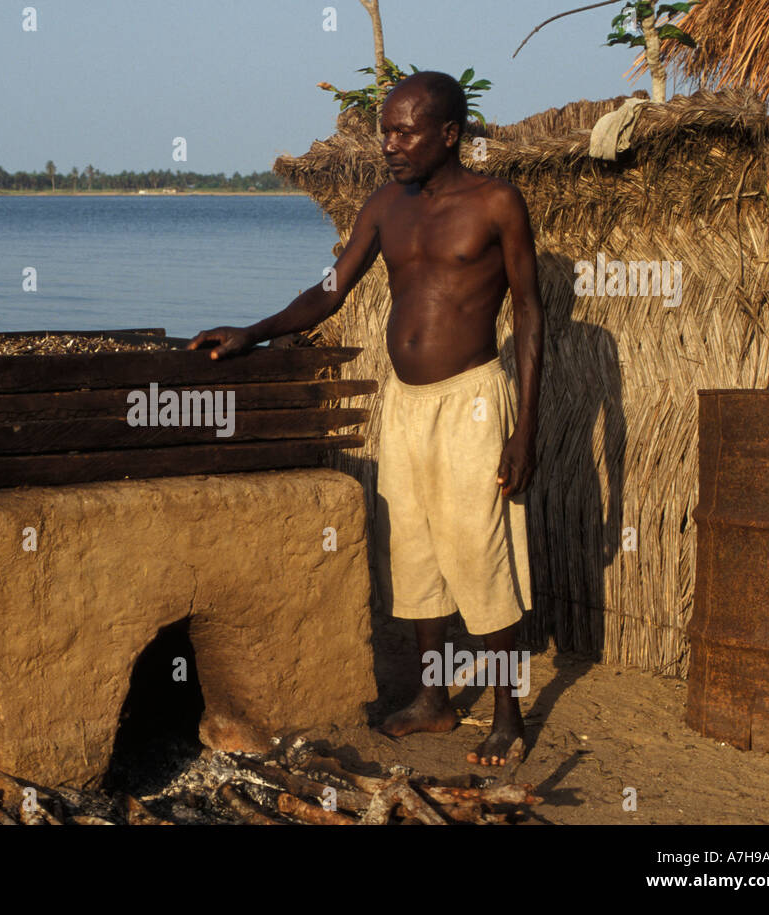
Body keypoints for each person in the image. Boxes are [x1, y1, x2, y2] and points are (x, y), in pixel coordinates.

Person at [187, 71, 544, 766]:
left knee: (480, 549)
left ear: (449, 134)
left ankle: (508, 711)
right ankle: (434, 698)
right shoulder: (386, 205)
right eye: (386, 129)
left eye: (405, 131)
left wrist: (526, 427)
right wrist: (253, 331)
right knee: (414, 548)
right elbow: (331, 288)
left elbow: (530, 314)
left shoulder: (497, 203)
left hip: (471, 400)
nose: (390, 143)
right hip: (404, 404)